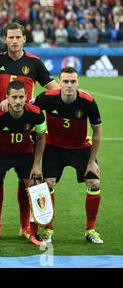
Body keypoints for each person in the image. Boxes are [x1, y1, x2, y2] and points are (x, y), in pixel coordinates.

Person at [0, 22, 58, 241]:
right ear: (4, 39)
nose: (14, 41)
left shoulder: (34, 63)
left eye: (18, 37)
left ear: (24, 39)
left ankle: (25, 225)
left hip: (25, 129)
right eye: (10, 37)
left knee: (27, 181)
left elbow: (53, 90)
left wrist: (30, 103)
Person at [31, 66, 103, 244]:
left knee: (94, 181)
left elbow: (97, 131)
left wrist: (92, 161)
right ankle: (48, 230)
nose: (69, 85)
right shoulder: (47, 98)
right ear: (59, 83)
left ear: (78, 83)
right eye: (65, 81)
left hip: (81, 147)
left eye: (72, 81)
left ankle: (91, 230)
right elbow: (27, 107)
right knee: (48, 183)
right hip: (54, 147)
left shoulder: (88, 102)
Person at [0, 80, 47, 247]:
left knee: (35, 185)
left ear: (26, 98)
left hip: (24, 154)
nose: (18, 101)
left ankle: (32, 231)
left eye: (21, 97)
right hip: (0, 154)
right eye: (14, 97)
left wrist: (36, 164)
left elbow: (41, 137)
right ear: (7, 98)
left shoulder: (37, 114)